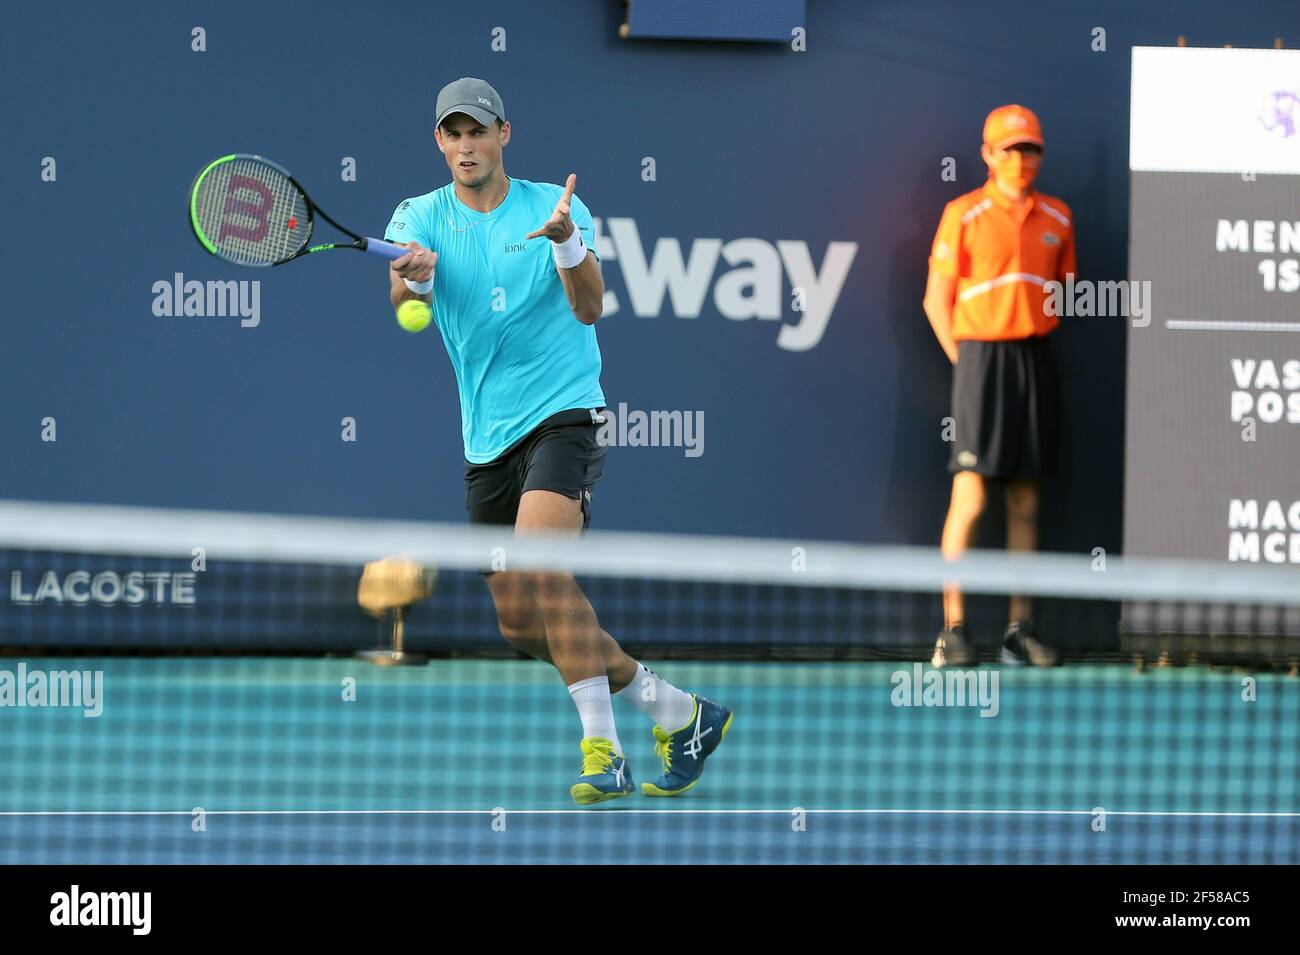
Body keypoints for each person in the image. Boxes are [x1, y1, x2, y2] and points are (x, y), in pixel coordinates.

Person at [384, 78, 732, 803]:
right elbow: (403, 302)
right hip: (486, 440)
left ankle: (603, 750)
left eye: (477, 131)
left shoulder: (553, 207)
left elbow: (591, 305)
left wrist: (568, 241)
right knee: (518, 621)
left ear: (503, 134)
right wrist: (412, 281)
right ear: (439, 143)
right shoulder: (419, 216)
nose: (466, 145)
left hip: (562, 412)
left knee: (546, 569)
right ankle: (677, 711)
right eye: (453, 134)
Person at [922, 104, 1076, 668]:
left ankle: (1019, 633)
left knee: (1026, 498)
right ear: (989, 155)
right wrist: (968, 366)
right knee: (972, 494)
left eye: (1030, 148)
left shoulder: (1059, 217)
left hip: (1035, 359)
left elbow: (1064, 296)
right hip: (979, 361)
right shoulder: (962, 214)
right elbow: (935, 301)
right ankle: (953, 632)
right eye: (1010, 149)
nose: (1021, 159)